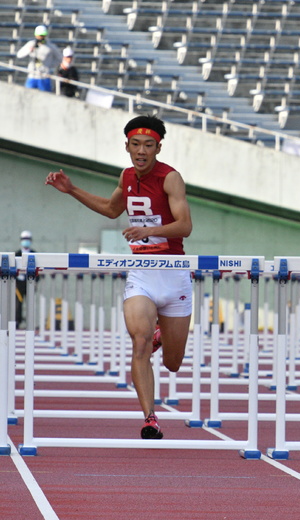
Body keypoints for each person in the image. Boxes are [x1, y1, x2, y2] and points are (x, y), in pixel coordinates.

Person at [45, 115, 193, 439]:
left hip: (174, 274)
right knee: (139, 343)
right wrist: (71, 190)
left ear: (158, 148)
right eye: (136, 145)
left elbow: (185, 225)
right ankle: (150, 418)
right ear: (126, 146)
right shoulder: (126, 176)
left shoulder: (171, 179)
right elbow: (112, 209)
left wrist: (149, 229)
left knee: (173, 363)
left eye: (149, 146)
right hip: (142, 272)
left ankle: (162, 337)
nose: (142, 151)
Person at [16, 25, 62, 92]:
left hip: (44, 76)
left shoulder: (50, 46)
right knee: (27, 95)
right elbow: (19, 55)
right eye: (39, 36)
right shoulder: (31, 44)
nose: (40, 38)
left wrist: (49, 65)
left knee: (45, 97)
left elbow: (59, 58)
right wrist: (29, 50)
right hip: (32, 75)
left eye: (42, 36)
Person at [15, 230, 36, 328]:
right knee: (18, 303)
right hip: (18, 283)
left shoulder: (35, 254)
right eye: (24, 239)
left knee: (30, 303)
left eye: (27, 239)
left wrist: (36, 281)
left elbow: (38, 270)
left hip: (30, 282)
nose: (26, 241)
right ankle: (17, 321)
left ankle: (30, 322)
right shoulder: (17, 254)